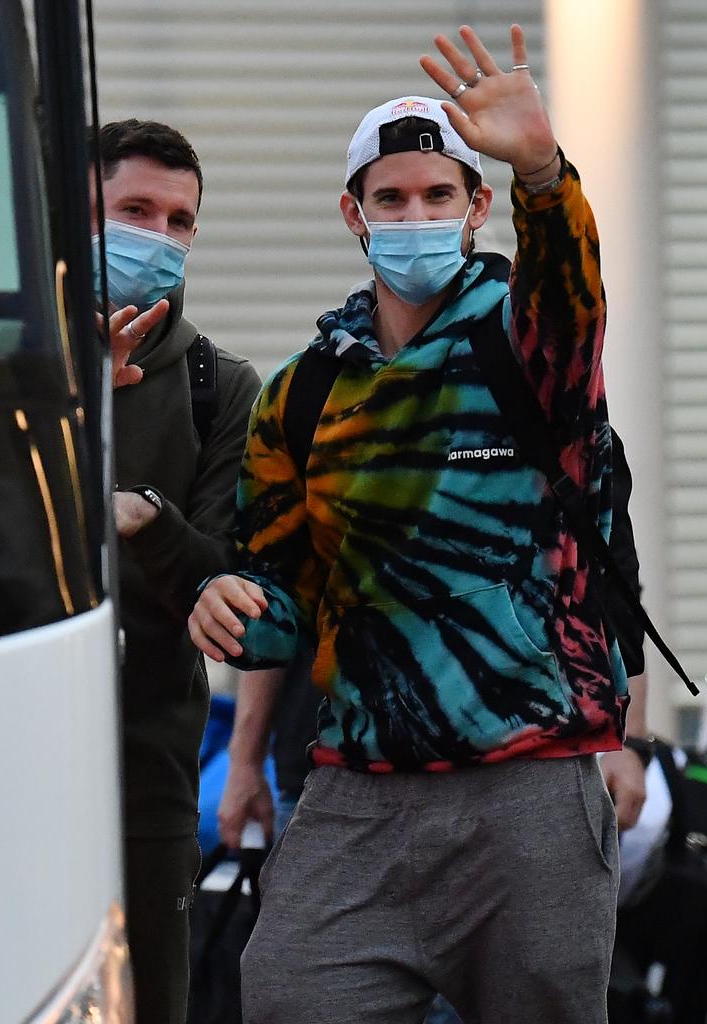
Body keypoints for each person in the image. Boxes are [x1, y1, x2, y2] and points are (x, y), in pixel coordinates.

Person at [190, 24, 631, 1024]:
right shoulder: (301, 396)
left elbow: (575, 301)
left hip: (528, 785)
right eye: (391, 197)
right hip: (356, 791)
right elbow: (278, 601)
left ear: (477, 207)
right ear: (354, 214)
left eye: (439, 194)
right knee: (287, 990)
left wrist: (543, 174)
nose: (415, 215)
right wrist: (216, 596)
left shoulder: (529, 345)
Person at [90, 119, 261, 1024]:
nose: (158, 236)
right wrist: (76, 409)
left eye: (178, 219)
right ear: (80, 210)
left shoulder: (219, 385)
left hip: (147, 773)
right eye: (133, 210)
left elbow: (222, 577)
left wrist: (148, 519)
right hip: (0, 752)